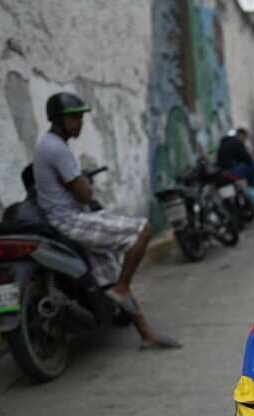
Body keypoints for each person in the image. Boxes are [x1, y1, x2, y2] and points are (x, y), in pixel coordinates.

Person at [33, 92, 179, 349]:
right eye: (75, 118)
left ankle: (145, 333)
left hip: (64, 219)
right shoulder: (56, 148)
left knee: (110, 273)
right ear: (59, 120)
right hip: (69, 220)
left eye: (80, 117)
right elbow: (84, 193)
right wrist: (85, 184)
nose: (80, 123)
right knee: (142, 230)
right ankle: (123, 288)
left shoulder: (49, 145)